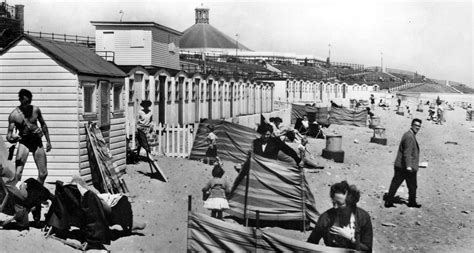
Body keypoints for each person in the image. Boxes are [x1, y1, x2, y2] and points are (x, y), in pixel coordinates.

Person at [6, 89, 52, 223]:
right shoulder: (14, 115)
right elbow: (8, 135)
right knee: (18, 174)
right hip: (24, 142)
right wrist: (13, 138)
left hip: (36, 142)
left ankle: (35, 200)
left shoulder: (36, 110)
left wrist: (49, 141)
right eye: (25, 102)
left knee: (43, 173)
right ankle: (20, 205)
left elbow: (43, 125)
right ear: (20, 100)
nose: (27, 105)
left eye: (29, 102)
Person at [307, 181, 373, 252]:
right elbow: (311, 243)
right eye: (333, 202)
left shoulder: (362, 217)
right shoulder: (326, 218)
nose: (335, 207)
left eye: (339, 204)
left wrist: (350, 239)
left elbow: (367, 249)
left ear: (350, 203)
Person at [384, 118, 422, 208]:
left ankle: (389, 201)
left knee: (397, 184)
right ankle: (411, 202)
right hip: (405, 167)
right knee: (411, 186)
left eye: (419, 126)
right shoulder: (409, 136)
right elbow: (407, 153)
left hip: (401, 166)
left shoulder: (409, 135)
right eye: (416, 125)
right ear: (411, 125)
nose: (418, 128)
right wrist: (409, 166)